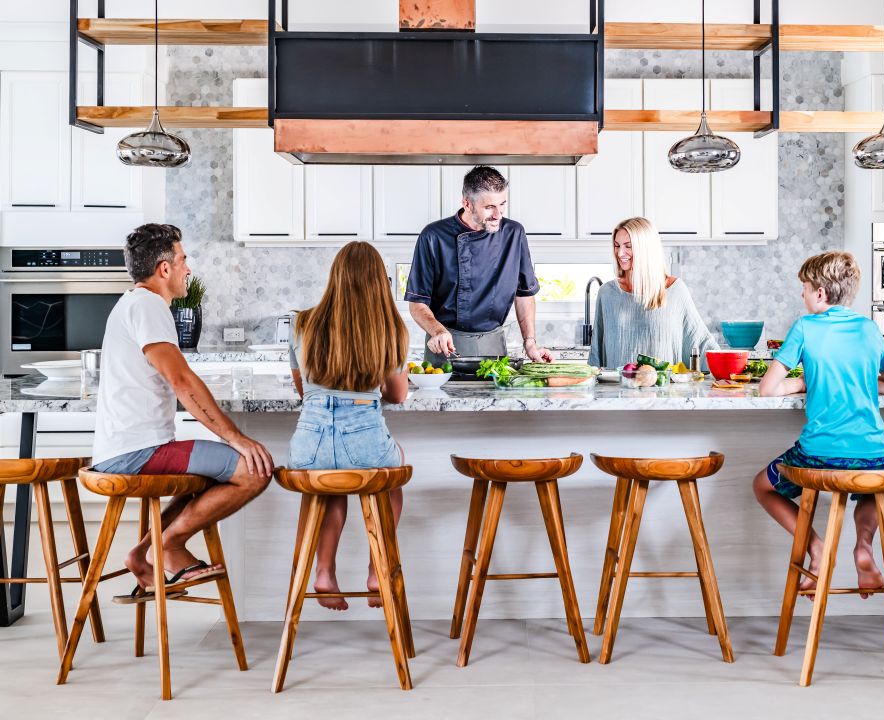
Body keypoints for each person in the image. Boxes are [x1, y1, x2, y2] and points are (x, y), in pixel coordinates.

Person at [91, 224, 273, 602]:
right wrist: (235, 437)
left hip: (127, 447)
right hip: (139, 451)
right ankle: (170, 546)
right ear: (164, 269)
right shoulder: (148, 305)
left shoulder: (133, 303)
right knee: (254, 470)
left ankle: (142, 553)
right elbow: (182, 381)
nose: (188, 268)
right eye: (183, 259)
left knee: (211, 474)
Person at [753, 250, 884, 598]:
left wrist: (803, 383)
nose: (802, 295)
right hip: (872, 455)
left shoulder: (806, 327)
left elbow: (766, 389)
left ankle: (816, 547)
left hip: (817, 457)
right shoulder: (868, 328)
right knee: (870, 487)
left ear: (819, 293)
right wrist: (858, 382)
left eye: (804, 288)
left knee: (762, 486)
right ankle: (864, 548)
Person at [288, 241, 409, 610]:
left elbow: (302, 389)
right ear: (380, 282)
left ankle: (324, 572)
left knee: (330, 487)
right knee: (392, 477)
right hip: (365, 440)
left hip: (309, 445)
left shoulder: (302, 322)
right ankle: (376, 570)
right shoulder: (391, 328)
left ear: (335, 276)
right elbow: (398, 395)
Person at [405, 165, 553, 365]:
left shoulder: (514, 234)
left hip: (493, 348)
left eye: (502, 204)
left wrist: (530, 342)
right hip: (444, 346)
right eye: (489, 207)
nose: (498, 214)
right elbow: (417, 303)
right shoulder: (433, 236)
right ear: (467, 203)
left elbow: (524, 294)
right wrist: (437, 331)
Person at [587, 216, 719, 369]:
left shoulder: (675, 290)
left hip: (664, 390)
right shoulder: (607, 293)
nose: (620, 253)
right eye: (617, 246)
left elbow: (700, 341)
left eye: (628, 246)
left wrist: (730, 368)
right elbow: (596, 353)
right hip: (618, 390)